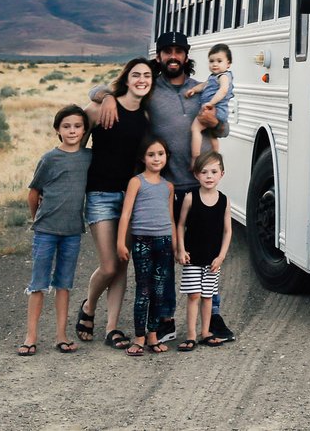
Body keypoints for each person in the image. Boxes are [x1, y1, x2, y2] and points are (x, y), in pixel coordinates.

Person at [91, 31, 234, 342]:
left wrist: (215, 124)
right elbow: (99, 88)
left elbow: (224, 125)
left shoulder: (204, 86)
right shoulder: (151, 89)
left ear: (185, 56)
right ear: (159, 57)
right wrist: (106, 98)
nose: (172, 56)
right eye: (166, 51)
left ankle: (214, 319)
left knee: (206, 253)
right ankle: (165, 318)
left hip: (198, 187)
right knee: (166, 258)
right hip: (165, 187)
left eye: (178, 52)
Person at [76, 58, 153, 351]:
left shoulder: (145, 117)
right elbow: (74, 149)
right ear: (127, 78)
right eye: (136, 75)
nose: (141, 80)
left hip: (131, 199)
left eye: (146, 76)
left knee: (122, 263)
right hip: (100, 195)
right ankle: (89, 306)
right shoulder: (99, 108)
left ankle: (112, 328)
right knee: (108, 265)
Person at [19, 104, 91, 356]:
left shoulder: (88, 158)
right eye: (66, 126)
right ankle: (30, 337)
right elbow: (33, 193)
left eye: (77, 126)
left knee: (64, 284)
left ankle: (61, 335)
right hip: (46, 230)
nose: (72, 131)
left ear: (84, 130)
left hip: (72, 231)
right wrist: (37, 219)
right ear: (57, 130)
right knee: (38, 283)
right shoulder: (49, 159)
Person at [116, 136, 176, 356]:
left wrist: (177, 247)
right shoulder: (136, 182)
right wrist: (121, 242)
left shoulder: (168, 186)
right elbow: (126, 214)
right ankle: (139, 337)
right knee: (143, 290)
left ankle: (153, 334)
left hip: (164, 242)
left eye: (160, 154)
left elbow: (171, 219)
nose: (156, 158)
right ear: (143, 158)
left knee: (159, 291)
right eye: (151, 154)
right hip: (142, 242)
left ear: (166, 156)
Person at [174, 150, 232, 350]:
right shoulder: (191, 198)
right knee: (194, 295)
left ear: (221, 174)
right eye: (204, 172)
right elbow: (181, 225)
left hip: (213, 259)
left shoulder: (224, 200)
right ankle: (190, 335)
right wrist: (181, 250)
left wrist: (221, 256)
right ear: (196, 174)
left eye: (214, 172)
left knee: (208, 295)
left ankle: (205, 331)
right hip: (193, 256)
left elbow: (227, 231)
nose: (209, 176)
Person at [184, 43, 234, 168]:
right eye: (211, 61)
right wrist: (194, 90)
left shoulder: (223, 77)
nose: (215, 64)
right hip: (217, 111)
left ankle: (195, 158)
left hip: (215, 109)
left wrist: (210, 104)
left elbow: (223, 90)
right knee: (212, 136)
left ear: (228, 64)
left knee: (195, 129)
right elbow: (203, 86)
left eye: (219, 61)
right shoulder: (213, 77)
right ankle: (216, 160)